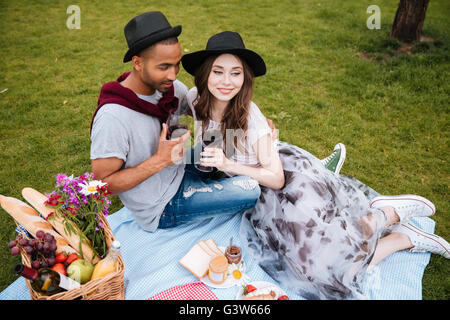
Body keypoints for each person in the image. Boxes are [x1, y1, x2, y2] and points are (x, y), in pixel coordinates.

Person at [180, 31, 450, 299]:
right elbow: (168, 99)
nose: (226, 81)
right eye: (218, 71)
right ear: (205, 74)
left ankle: (387, 215)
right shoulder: (195, 98)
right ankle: (402, 239)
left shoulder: (250, 117)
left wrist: (227, 163)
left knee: (325, 264)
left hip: (284, 184)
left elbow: (276, 178)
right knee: (314, 273)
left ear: (245, 78)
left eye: (235, 73)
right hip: (252, 193)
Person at [90, 11, 343, 232]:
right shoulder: (114, 117)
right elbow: (102, 184)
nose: (173, 75)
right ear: (137, 63)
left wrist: (253, 120)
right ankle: (303, 184)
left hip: (181, 168)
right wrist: (159, 161)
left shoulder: (170, 89)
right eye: (164, 66)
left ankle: (308, 175)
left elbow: (210, 107)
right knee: (251, 188)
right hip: (162, 205)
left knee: (228, 139)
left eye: (177, 65)